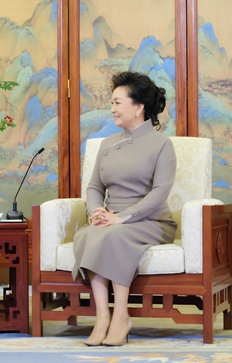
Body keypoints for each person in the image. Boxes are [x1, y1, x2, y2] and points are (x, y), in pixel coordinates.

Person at [72, 71, 177, 347]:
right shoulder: (107, 144)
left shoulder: (162, 144)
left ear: (138, 107)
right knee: (90, 233)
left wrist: (122, 218)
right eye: (112, 103)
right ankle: (102, 316)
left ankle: (121, 316)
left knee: (112, 235)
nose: (112, 108)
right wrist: (97, 212)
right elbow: (94, 187)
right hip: (110, 219)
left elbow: (160, 193)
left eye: (118, 102)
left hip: (151, 222)